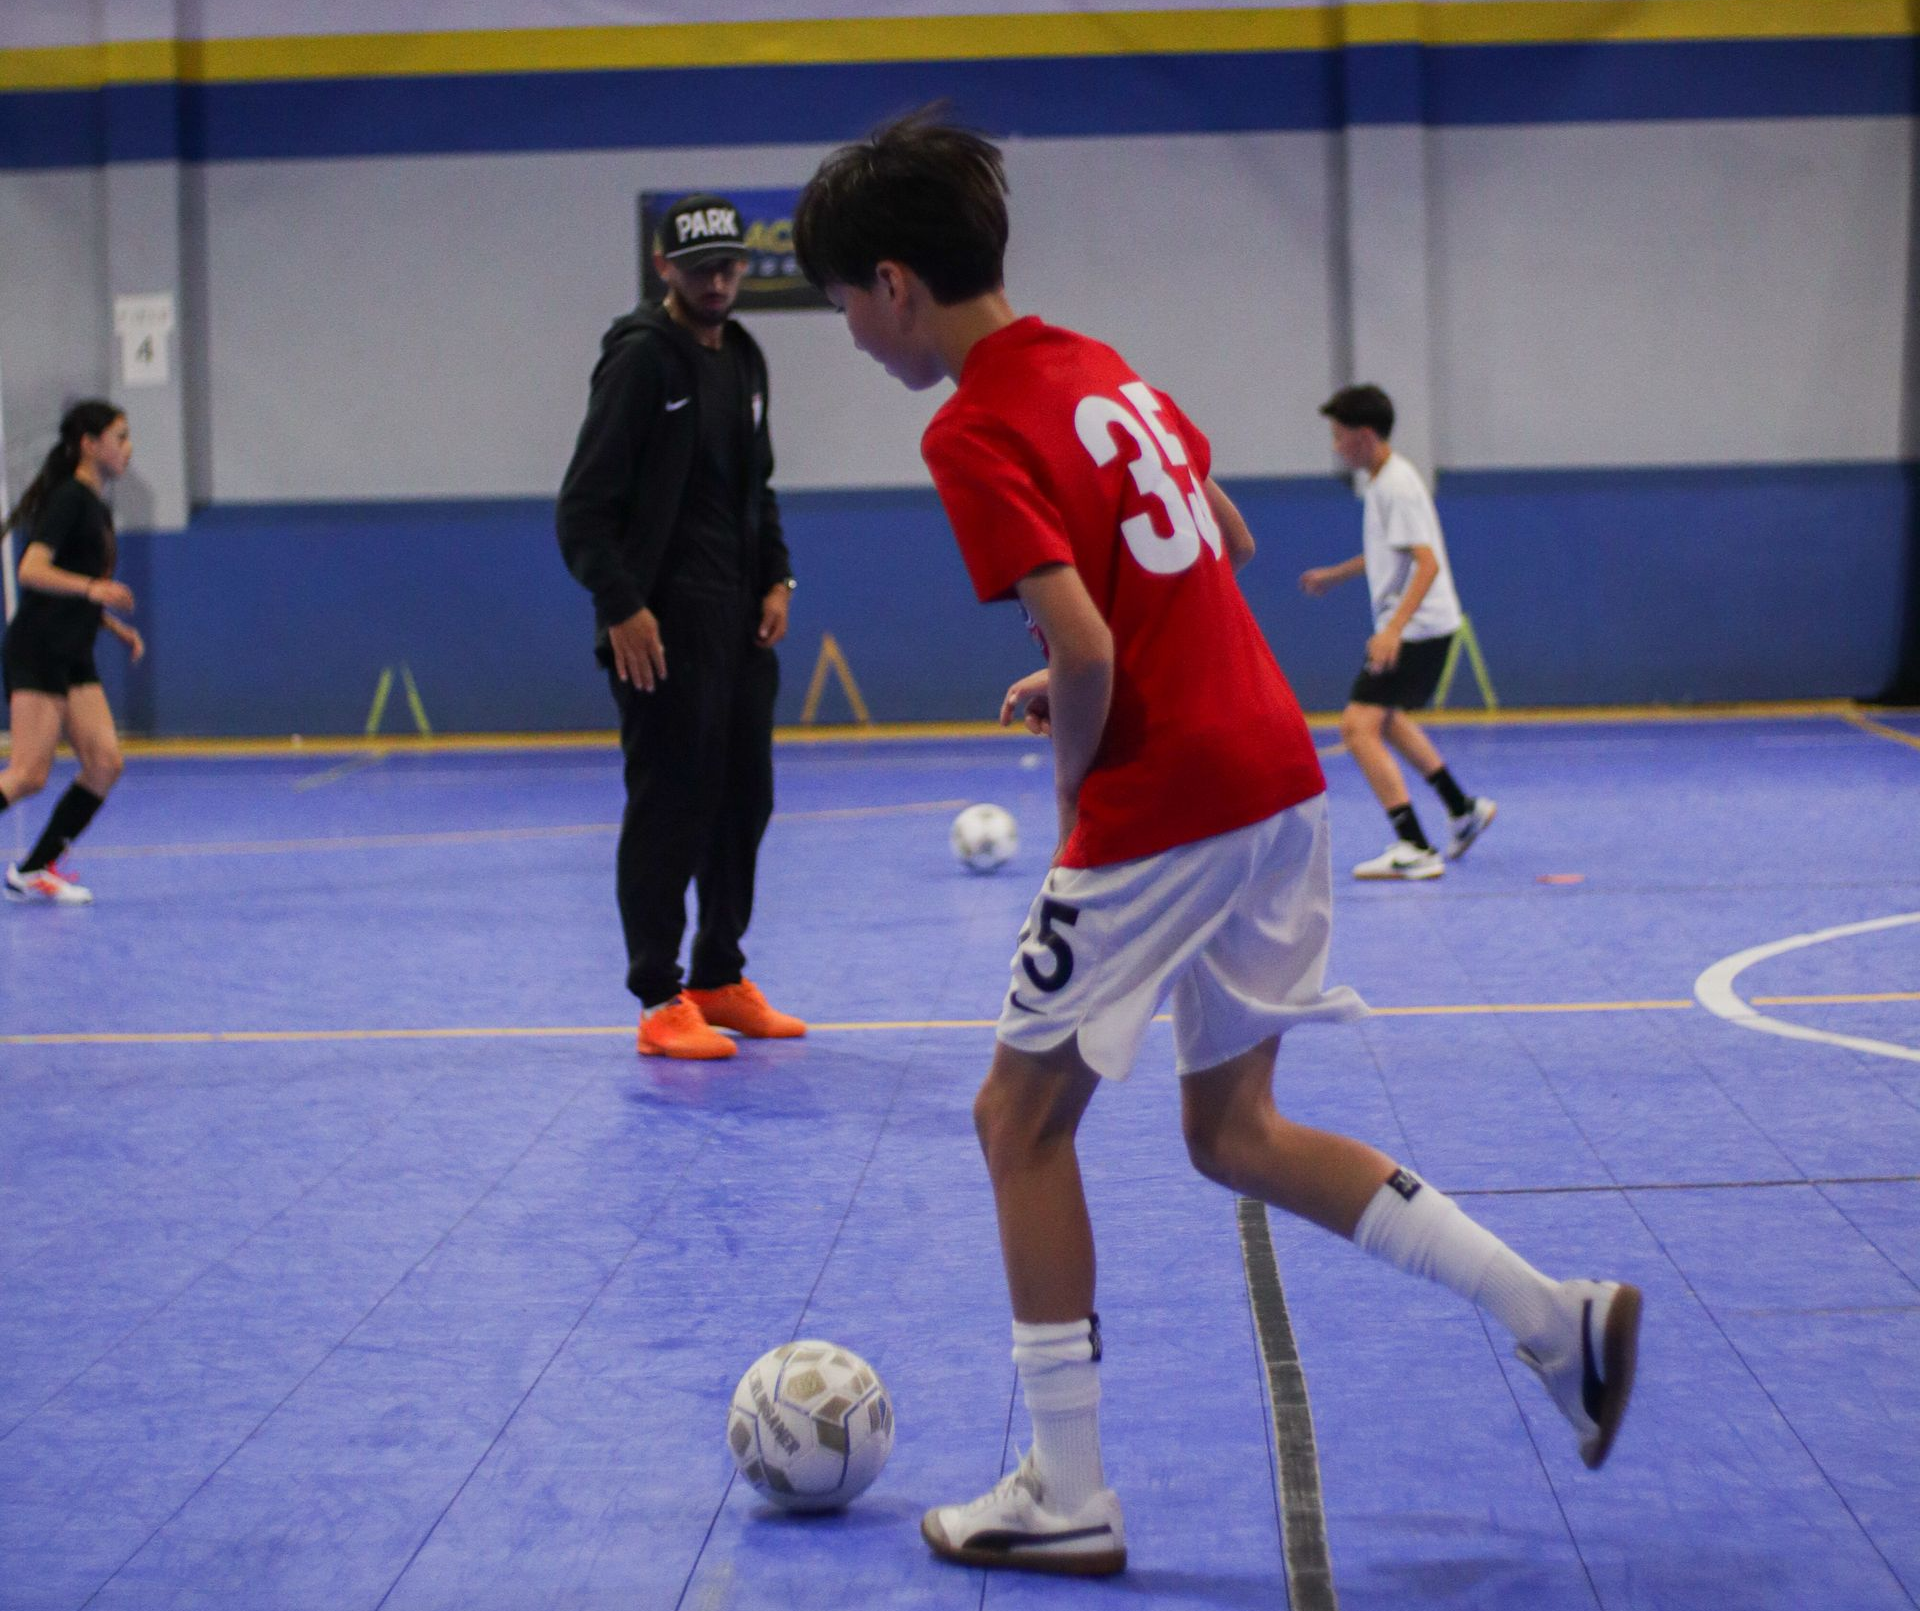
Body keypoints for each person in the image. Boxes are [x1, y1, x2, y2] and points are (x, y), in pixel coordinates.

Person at [794, 114, 1640, 1578]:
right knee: (1232, 1131)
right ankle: (1554, 1318)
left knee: (1016, 1121)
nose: (856, 339)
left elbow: (1087, 640)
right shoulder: (1101, 367)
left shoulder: (971, 426)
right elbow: (1222, 541)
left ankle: (1066, 1490)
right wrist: (1101, 664)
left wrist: (1078, 783)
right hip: (1275, 774)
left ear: (895, 284)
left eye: (845, 308)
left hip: (1169, 801)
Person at [557, 192, 807, 1062]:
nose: (718, 282)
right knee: (670, 807)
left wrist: (777, 575)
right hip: (661, 632)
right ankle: (660, 997)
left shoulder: (744, 357)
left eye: (730, 266)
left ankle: (717, 976)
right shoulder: (640, 363)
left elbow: (758, 487)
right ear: (664, 268)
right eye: (701, 269)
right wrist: (622, 607)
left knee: (744, 799)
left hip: (739, 627)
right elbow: (582, 510)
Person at [1300, 385, 1496, 880]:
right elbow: (1391, 552)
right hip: (1423, 627)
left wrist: (1393, 630)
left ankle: (1414, 846)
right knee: (1384, 720)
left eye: (1339, 436)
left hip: (1418, 630)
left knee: (1356, 726)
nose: (1335, 446)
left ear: (1365, 436)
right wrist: (1335, 575)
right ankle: (1462, 808)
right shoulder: (1384, 481)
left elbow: (1426, 564)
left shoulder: (1396, 486)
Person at [1, 400, 142, 905]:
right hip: (40, 647)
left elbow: (74, 585)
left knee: (104, 763)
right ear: (89, 443)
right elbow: (31, 571)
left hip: (73, 650)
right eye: (119, 437)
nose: (128, 448)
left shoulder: (96, 506)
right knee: (28, 775)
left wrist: (109, 623)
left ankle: (34, 868)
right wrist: (92, 590)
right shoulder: (69, 500)